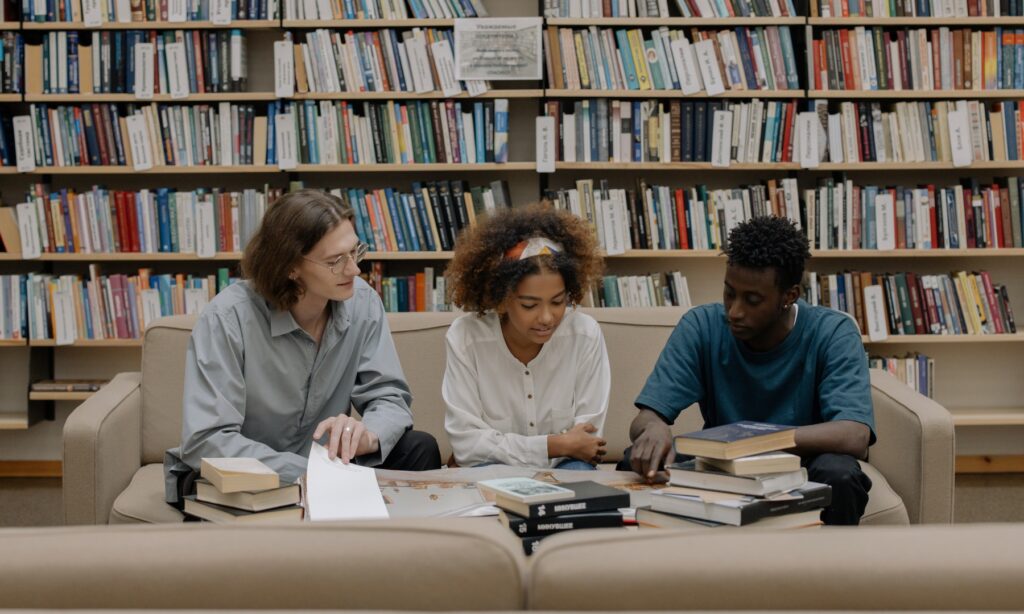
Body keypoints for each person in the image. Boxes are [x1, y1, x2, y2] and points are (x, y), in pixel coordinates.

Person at [164, 189, 440, 507]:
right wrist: (313, 473)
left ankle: (393, 550)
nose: (354, 270)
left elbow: (390, 398)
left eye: (355, 252)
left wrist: (368, 435)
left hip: (326, 464)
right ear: (291, 267)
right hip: (249, 473)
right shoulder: (228, 318)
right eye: (336, 261)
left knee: (420, 447)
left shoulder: (362, 302)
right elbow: (207, 440)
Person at [622, 216, 875, 525]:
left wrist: (755, 441)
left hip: (802, 463)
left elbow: (854, 435)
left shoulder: (833, 332)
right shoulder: (701, 326)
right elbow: (646, 418)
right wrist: (654, 428)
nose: (734, 311)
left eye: (752, 300)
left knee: (840, 474)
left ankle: (828, 572)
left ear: (789, 296)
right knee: (634, 460)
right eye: (729, 293)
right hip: (722, 464)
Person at [442, 204, 610, 470]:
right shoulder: (466, 338)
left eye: (557, 302)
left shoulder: (585, 335)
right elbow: (467, 445)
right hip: (493, 469)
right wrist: (554, 445)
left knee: (579, 475)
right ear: (502, 299)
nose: (546, 318)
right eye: (530, 305)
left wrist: (560, 448)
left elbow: (586, 442)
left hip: (567, 466)